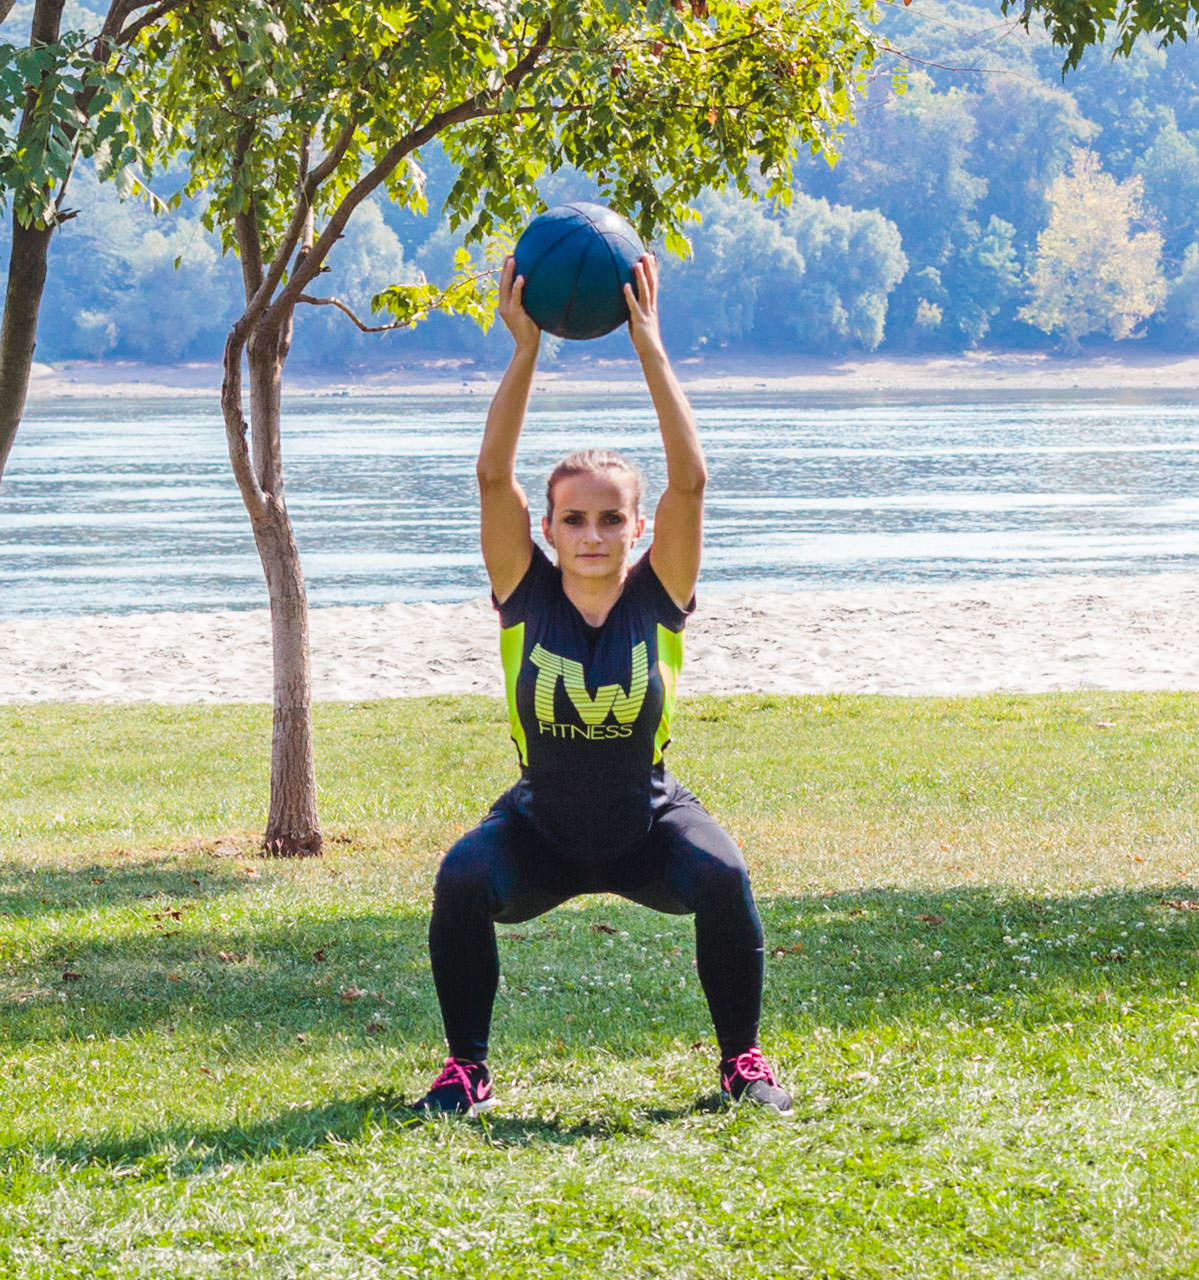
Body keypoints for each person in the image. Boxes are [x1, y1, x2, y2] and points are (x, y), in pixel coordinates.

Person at [413, 252, 792, 1118]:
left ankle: (743, 1063)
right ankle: (464, 1068)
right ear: (544, 530)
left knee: (725, 875)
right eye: (573, 519)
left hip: (646, 826)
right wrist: (523, 352)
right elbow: (489, 477)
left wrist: (649, 347)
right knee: (463, 876)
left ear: (638, 526)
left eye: (610, 517)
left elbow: (692, 479)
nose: (592, 533)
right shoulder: (524, 593)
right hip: (540, 831)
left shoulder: (659, 594)